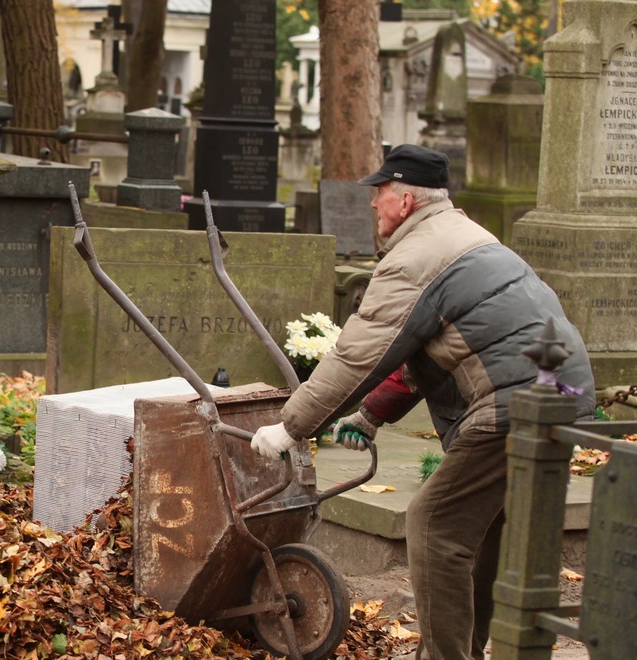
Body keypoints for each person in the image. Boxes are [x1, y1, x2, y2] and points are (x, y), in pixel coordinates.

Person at [250, 144, 595, 660]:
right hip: (563, 393)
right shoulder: (466, 237)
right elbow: (434, 348)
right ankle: (468, 648)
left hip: (516, 403)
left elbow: (357, 355)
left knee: (433, 524)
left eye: (380, 192)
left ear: (406, 199)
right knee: (482, 531)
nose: (372, 204)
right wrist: (369, 415)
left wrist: (290, 427)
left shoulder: (414, 258)